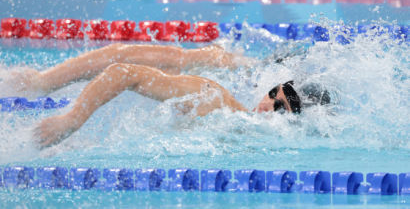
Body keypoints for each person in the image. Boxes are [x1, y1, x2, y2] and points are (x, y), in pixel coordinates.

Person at [9, 43, 302, 148]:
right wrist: (71, 120)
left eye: (279, 110)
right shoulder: (214, 99)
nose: (268, 107)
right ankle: (42, 82)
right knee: (196, 58)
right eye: (273, 96)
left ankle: (42, 82)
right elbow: (123, 70)